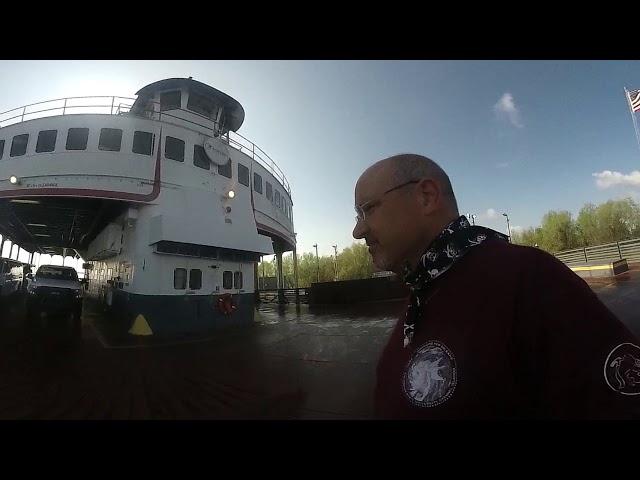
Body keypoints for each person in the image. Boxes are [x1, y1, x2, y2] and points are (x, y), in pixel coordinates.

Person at [352, 153, 640, 419]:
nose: (358, 231)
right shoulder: (419, 299)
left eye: (366, 210)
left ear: (426, 196)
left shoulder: (530, 277)